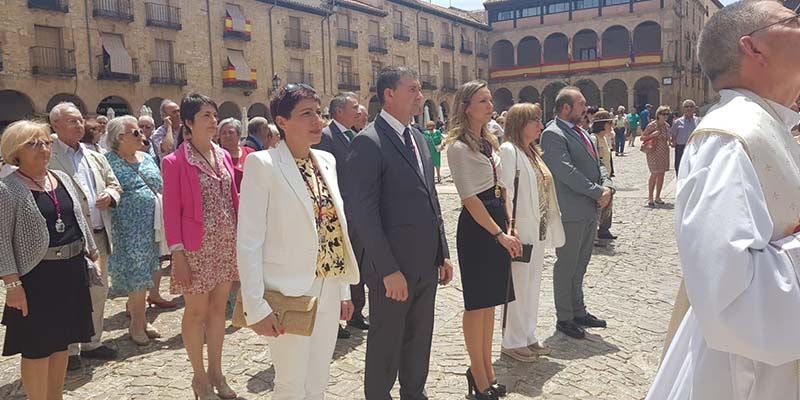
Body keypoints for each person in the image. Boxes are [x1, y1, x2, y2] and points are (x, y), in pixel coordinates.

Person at [647, 1, 800, 399]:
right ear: (754, 48)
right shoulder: (729, 136)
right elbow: (730, 296)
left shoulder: (769, 125)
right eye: (794, 19)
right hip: (750, 377)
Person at [237, 83, 360, 400]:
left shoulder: (326, 161)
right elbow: (249, 240)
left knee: (318, 380)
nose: (317, 120)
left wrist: (344, 288)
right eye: (306, 114)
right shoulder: (262, 164)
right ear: (282, 121)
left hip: (329, 287)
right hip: (287, 291)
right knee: (291, 384)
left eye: (317, 113)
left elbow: (332, 229)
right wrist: (255, 306)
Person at [342, 66, 453, 400]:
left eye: (420, 89)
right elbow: (364, 214)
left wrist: (442, 251)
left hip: (425, 264)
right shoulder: (368, 142)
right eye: (413, 89)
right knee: (386, 345)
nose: (420, 96)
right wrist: (388, 270)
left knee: (419, 339)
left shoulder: (417, 137)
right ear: (388, 94)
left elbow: (431, 199)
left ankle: (414, 394)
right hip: (391, 270)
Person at [0, 120, 98, 400]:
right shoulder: (8, 188)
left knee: (62, 344)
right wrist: (12, 285)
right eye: (32, 143)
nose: (42, 149)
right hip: (36, 279)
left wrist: (91, 252)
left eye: (45, 142)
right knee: (37, 348)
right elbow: (1, 240)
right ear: (15, 151)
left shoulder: (61, 178)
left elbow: (77, 216)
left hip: (70, 273)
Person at [446, 81, 521, 399]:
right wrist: (499, 234)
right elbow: (470, 200)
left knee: (491, 303)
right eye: (483, 100)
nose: (490, 105)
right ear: (466, 107)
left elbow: (502, 187)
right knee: (477, 304)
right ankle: (477, 375)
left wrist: (511, 225)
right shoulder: (457, 147)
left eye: (490, 100)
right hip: (478, 228)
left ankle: (486, 371)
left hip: (499, 219)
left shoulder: (490, 141)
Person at [162, 93, 239, 400]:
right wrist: (177, 253)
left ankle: (217, 372)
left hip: (225, 244)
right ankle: (199, 378)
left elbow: (232, 200)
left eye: (214, 115)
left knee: (219, 310)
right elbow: (170, 211)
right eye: (206, 116)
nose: (213, 121)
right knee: (196, 312)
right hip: (195, 249)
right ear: (189, 123)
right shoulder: (175, 162)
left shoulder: (222, 156)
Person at [48, 102, 121, 370]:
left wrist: (111, 195)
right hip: (68, 237)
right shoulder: (48, 153)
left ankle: (92, 342)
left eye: (80, 120)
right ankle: (69, 350)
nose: (79, 125)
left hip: (99, 236)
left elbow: (114, 183)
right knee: (70, 293)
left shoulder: (94, 155)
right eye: (71, 121)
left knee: (98, 290)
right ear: (55, 124)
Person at [540, 87, 614, 340]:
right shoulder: (553, 134)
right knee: (567, 265)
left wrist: (607, 185)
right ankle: (564, 317)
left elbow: (599, 165)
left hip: (588, 209)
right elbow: (565, 171)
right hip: (570, 210)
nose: (586, 108)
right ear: (565, 108)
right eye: (581, 104)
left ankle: (578, 310)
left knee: (581, 264)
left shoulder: (583, 132)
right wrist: (597, 192)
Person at [499, 103, 565, 363]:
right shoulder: (509, 151)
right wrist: (509, 228)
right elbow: (506, 191)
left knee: (532, 285)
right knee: (516, 287)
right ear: (520, 124)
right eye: (535, 121)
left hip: (537, 230)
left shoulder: (532, 152)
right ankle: (511, 341)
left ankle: (527, 334)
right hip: (520, 231)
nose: (540, 125)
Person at [103, 116, 164, 345]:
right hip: (127, 229)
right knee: (137, 278)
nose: (143, 136)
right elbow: (108, 189)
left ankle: (141, 318)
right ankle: (137, 324)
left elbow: (158, 184)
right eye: (136, 133)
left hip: (150, 226)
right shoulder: (107, 161)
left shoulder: (147, 157)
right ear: (120, 138)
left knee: (147, 273)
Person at [313, 92, 368, 337]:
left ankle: (355, 313)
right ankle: (333, 319)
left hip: (357, 213)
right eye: (354, 107)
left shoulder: (355, 136)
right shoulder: (325, 138)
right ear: (338, 113)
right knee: (337, 264)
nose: (359, 111)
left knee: (357, 264)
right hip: (336, 214)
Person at [590, 110, 617, 240]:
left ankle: (605, 229)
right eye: (609, 123)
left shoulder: (604, 139)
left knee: (608, 203)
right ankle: (595, 232)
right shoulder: (594, 139)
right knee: (600, 204)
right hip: (598, 176)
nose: (611, 126)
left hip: (606, 175)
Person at [641, 106, 672, 207]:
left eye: (667, 114)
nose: (665, 116)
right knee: (654, 173)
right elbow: (642, 138)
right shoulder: (652, 125)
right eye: (664, 114)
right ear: (658, 115)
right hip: (653, 151)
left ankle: (658, 196)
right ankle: (650, 197)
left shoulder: (667, 126)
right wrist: (652, 135)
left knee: (661, 174)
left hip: (664, 152)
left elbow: (669, 138)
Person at [217, 118, 254, 190]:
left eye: (230, 132)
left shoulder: (250, 153)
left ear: (239, 135)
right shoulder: (217, 156)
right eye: (223, 133)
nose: (227, 136)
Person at [669, 100, 701, 176]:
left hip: (695, 148)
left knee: (694, 168)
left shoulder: (699, 121)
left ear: (694, 109)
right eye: (687, 107)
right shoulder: (678, 122)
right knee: (680, 168)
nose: (689, 108)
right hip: (681, 148)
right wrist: (673, 142)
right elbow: (673, 135)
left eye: (691, 106)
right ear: (683, 108)